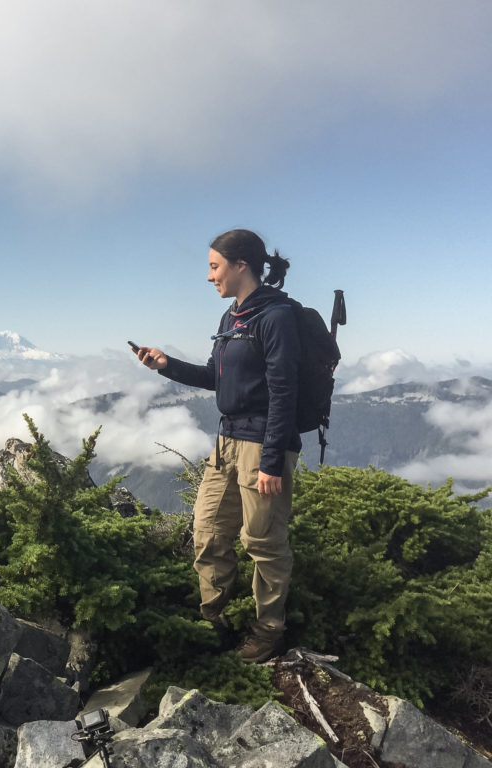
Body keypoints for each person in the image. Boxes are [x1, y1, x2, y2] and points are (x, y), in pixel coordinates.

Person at [133, 228, 300, 663]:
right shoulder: (232, 318)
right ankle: (215, 622)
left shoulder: (276, 318)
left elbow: (285, 393)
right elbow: (215, 378)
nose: (210, 276)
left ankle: (268, 631)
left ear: (241, 265)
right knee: (206, 532)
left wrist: (271, 463)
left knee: (263, 542)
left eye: (214, 266)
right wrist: (165, 365)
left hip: (264, 445)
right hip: (225, 442)